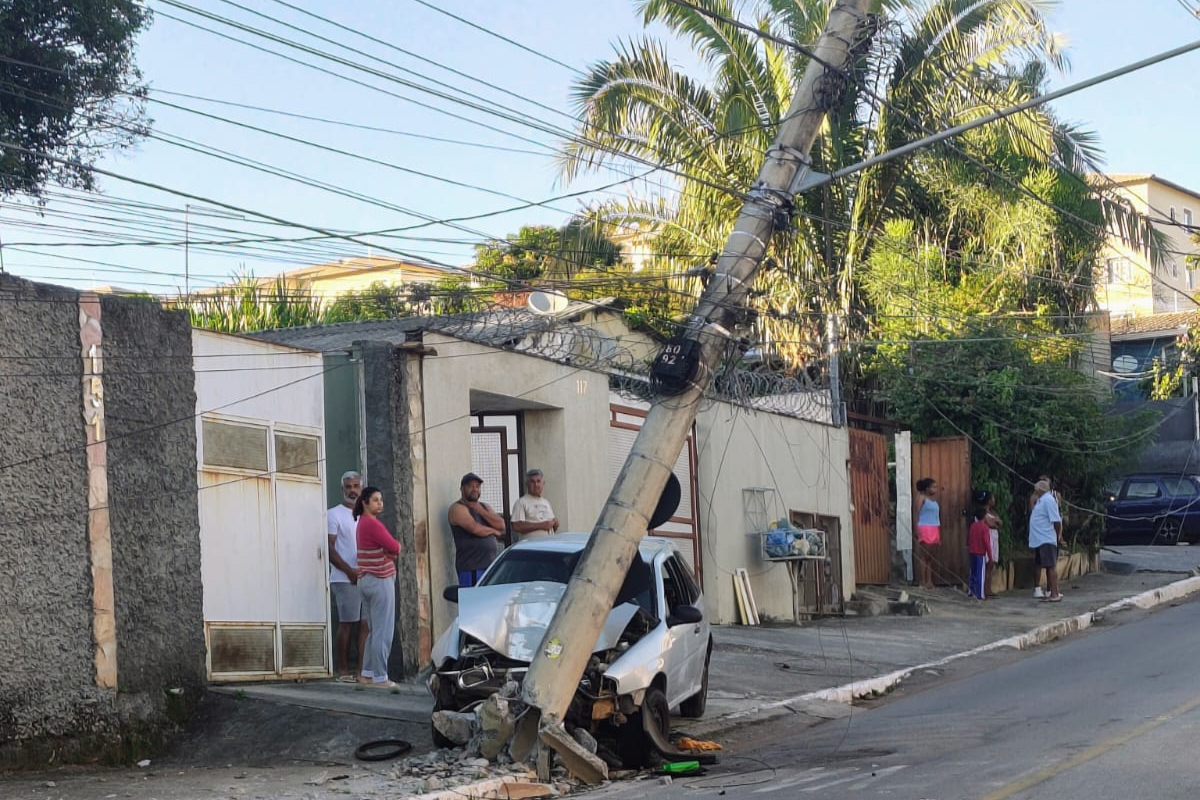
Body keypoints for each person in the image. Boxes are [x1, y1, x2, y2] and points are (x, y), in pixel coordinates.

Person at [354, 486, 401, 688]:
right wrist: (390, 553)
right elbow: (396, 547)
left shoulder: (361, 524)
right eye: (375, 500)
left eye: (380, 499)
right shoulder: (373, 524)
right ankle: (381, 677)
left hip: (365, 580)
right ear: (365, 503)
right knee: (383, 630)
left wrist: (388, 552)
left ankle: (367, 673)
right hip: (380, 580)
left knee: (374, 630)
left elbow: (389, 549)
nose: (379, 503)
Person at [328, 471, 368, 681]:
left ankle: (362, 672)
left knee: (365, 625)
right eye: (348, 487)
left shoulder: (366, 515)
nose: (352, 491)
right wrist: (349, 571)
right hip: (343, 579)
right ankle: (342, 671)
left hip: (365, 577)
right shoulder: (333, 514)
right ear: (342, 489)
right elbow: (330, 549)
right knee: (347, 624)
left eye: (356, 486)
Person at [448, 472, 504, 587]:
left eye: (477, 486)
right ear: (462, 488)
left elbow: (501, 524)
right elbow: (475, 529)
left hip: (489, 567)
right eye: (470, 486)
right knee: (473, 602)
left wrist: (481, 511)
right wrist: (493, 531)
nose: (474, 489)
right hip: (471, 568)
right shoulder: (457, 508)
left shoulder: (484, 507)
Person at [1029, 479, 1065, 602]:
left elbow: (1056, 521)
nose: (1034, 492)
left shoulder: (1049, 500)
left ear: (1040, 490)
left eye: (1036, 490)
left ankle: (1054, 593)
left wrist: (1057, 535)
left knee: (1051, 566)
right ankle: (1052, 593)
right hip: (1040, 538)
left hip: (1047, 538)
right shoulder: (1041, 500)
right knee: (1046, 565)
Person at [510, 468, 560, 541]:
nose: (536, 485)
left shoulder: (546, 502)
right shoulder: (521, 502)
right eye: (532, 482)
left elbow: (550, 526)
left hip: (548, 545)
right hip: (532, 547)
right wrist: (541, 525)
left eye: (538, 481)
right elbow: (516, 526)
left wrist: (555, 524)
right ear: (527, 484)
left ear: (543, 483)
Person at [914, 477, 941, 590]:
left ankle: (929, 582)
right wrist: (916, 529)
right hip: (925, 528)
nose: (936, 489)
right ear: (927, 488)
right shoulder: (921, 498)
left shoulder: (934, 501)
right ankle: (922, 582)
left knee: (930, 557)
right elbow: (916, 513)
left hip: (934, 527)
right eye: (933, 487)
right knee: (924, 556)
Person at [976, 490, 1003, 598]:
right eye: (992, 498)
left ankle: (988, 588)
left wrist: (996, 523)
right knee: (987, 562)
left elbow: (1000, 523)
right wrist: (995, 523)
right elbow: (991, 524)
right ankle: (984, 589)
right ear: (988, 500)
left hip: (994, 537)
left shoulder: (993, 512)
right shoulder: (983, 513)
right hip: (988, 537)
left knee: (992, 564)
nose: (994, 500)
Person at [967, 506, 991, 601]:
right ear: (984, 516)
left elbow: (969, 538)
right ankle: (980, 594)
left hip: (972, 552)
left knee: (972, 572)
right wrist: (990, 555)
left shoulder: (973, 526)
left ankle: (971, 592)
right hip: (980, 553)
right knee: (980, 574)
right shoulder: (984, 527)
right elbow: (987, 542)